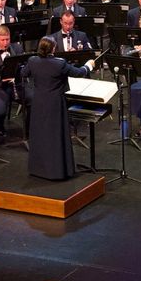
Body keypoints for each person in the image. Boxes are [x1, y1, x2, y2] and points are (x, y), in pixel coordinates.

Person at [20, 37, 95, 179]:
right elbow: (79, 73)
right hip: (55, 104)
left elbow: (24, 73)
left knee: (40, 134)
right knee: (55, 135)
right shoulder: (58, 64)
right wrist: (88, 65)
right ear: (53, 49)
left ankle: (39, 169)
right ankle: (57, 170)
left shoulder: (33, 61)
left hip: (39, 103)